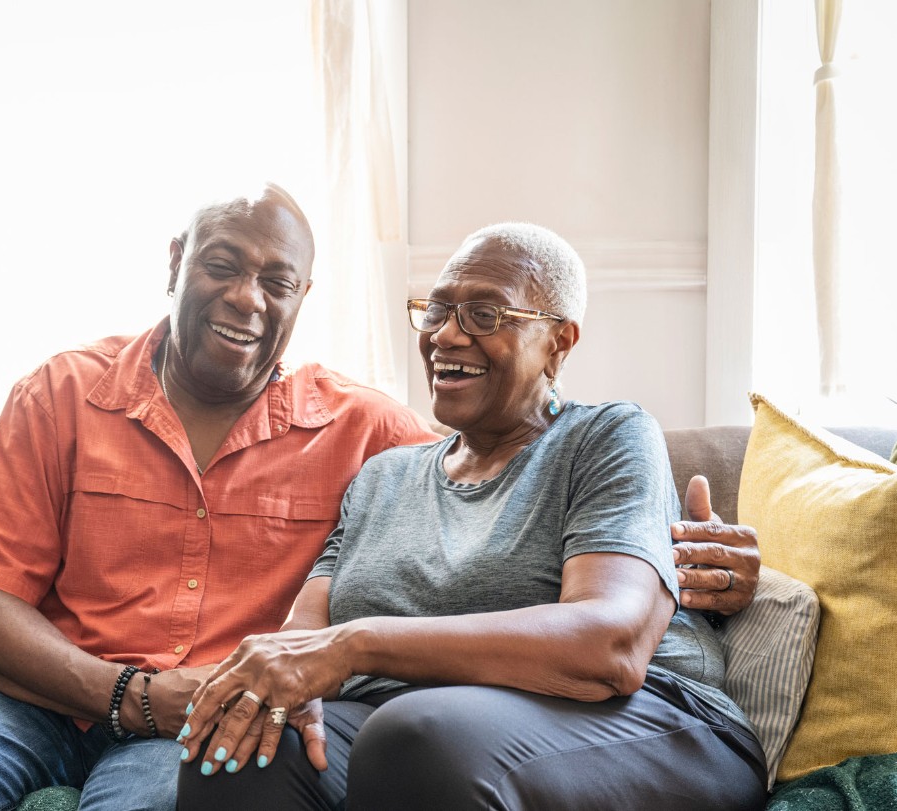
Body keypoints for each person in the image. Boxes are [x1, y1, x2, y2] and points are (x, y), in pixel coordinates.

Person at [0, 191, 760, 811]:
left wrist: (688, 556)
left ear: (302, 298)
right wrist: (142, 693)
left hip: (216, 708)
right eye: (222, 266)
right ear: (176, 261)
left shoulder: (367, 430)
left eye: (275, 281)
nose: (245, 297)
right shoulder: (66, 393)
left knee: (222, 761)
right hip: (41, 693)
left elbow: (560, 488)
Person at [174, 223, 768, 811]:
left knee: (417, 736)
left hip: (648, 724)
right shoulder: (383, 476)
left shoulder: (606, 436)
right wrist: (274, 685)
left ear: (559, 342)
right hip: (414, 727)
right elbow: (304, 634)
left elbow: (609, 645)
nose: (447, 336)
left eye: (486, 316)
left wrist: (357, 645)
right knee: (238, 750)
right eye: (436, 311)